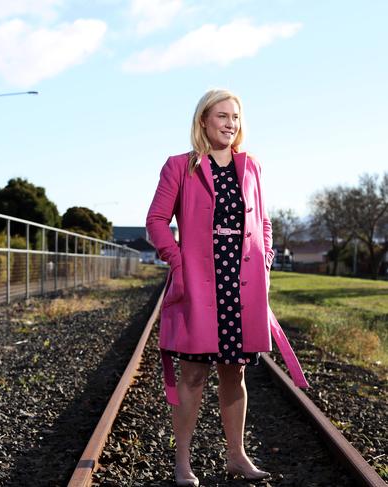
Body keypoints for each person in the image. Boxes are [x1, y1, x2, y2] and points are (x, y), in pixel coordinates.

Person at [145, 89, 309, 486]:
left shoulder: (250, 166)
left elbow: (265, 224)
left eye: (235, 116)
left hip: (242, 285)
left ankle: (236, 457)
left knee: (234, 373)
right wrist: (178, 259)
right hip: (200, 285)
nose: (229, 123)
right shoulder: (179, 166)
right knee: (194, 375)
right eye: (221, 116)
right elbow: (155, 222)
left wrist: (266, 261)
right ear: (203, 120)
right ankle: (183, 462)